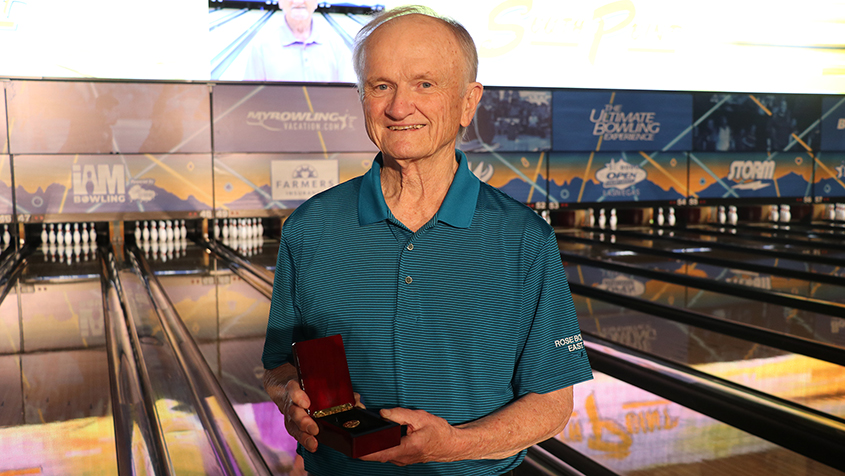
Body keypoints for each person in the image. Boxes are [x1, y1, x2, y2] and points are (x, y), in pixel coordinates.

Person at [262, 5, 592, 475]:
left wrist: (453, 444)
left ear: (467, 102)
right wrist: (288, 396)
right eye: (381, 86)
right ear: (362, 98)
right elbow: (278, 365)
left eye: (425, 84)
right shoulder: (309, 229)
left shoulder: (523, 239)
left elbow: (554, 403)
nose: (399, 107)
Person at [243, 0, 355, 82]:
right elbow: (248, 100)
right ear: (280, 2)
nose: (298, 1)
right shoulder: (261, 47)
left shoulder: (336, 45)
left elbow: (349, 98)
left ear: (316, 2)